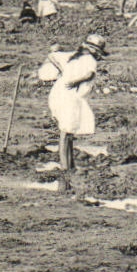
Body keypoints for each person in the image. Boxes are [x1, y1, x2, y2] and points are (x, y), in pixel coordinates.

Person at [46, 34, 108, 179]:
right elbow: (89, 74)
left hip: (59, 92)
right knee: (66, 132)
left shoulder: (72, 57)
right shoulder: (90, 60)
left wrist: (62, 71)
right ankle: (65, 167)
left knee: (68, 132)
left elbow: (52, 55)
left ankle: (69, 164)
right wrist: (76, 81)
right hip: (70, 94)